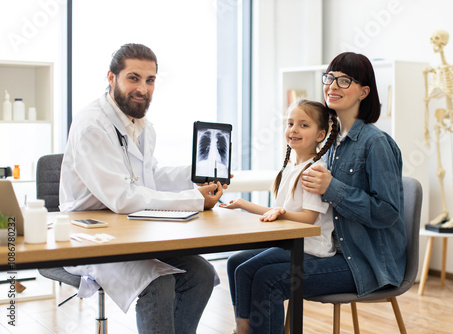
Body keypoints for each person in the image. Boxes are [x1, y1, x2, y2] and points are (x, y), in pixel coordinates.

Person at [225, 52, 407, 334]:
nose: (332, 86)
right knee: (237, 261)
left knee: (268, 280)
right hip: (328, 249)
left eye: (344, 80)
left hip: (361, 261)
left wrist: (333, 188)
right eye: (329, 78)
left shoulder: (377, 144)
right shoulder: (332, 145)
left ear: (364, 91)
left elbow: (387, 213)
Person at [59, 43, 224, 334]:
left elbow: (149, 177)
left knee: (200, 273)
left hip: (134, 230)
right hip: (92, 235)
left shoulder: (142, 125)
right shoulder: (92, 126)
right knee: (157, 282)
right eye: (133, 78)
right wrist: (193, 200)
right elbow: (123, 197)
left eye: (150, 80)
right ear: (111, 78)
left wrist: (196, 177)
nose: (143, 89)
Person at [220, 99, 338, 333]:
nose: (293, 129)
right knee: (235, 261)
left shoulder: (314, 170)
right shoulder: (290, 167)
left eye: (303, 125)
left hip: (311, 248)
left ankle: (242, 329)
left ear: (320, 134)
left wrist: (280, 216)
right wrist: (243, 204)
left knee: (249, 271)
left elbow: (308, 219)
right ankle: (242, 327)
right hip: (291, 245)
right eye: (290, 123)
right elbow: (279, 213)